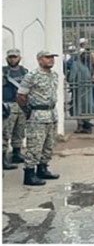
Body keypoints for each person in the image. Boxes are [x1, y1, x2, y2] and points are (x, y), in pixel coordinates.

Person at [17, 51, 62, 186]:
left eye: (52, 58)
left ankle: (42, 169)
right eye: (47, 57)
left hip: (51, 114)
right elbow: (21, 96)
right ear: (39, 60)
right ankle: (29, 174)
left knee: (49, 145)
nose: (51, 60)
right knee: (35, 146)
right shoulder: (32, 76)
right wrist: (27, 112)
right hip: (37, 115)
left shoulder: (54, 75)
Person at [3, 49, 28, 169]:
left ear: (19, 58)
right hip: (8, 105)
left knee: (19, 130)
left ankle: (16, 153)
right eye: (10, 57)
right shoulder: (3, 72)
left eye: (15, 57)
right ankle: (2, 158)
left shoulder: (24, 71)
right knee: (5, 132)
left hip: (21, 104)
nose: (13, 59)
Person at [69, 49, 94, 134]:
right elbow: (72, 78)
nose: (86, 56)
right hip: (79, 89)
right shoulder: (76, 64)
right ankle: (81, 125)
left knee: (88, 107)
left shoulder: (85, 65)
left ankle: (85, 124)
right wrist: (74, 86)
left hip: (87, 89)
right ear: (80, 56)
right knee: (79, 107)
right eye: (84, 55)